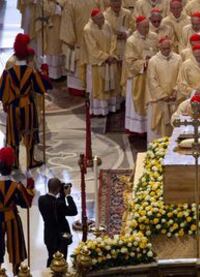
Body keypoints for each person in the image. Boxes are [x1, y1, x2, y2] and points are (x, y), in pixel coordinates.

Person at [0, 34, 49, 169]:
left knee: (14, 134)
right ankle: (30, 161)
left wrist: (6, 102)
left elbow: (2, 89)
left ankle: (15, 162)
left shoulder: (8, 71)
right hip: (27, 105)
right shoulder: (30, 71)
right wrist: (44, 75)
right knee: (30, 133)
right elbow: (42, 87)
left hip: (13, 106)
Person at [0, 147, 35, 275]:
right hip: (12, 219)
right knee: (16, 251)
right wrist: (30, 182)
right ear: (11, 166)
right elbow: (27, 203)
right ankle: (17, 273)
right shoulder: (16, 186)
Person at [60, 0, 105, 96]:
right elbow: (103, 18)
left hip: (78, 43)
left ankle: (79, 89)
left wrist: (70, 40)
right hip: (94, 40)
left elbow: (67, 28)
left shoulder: (70, 3)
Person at [122, 15, 158, 134]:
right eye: (144, 27)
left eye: (148, 27)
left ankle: (149, 126)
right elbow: (130, 61)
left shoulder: (154, 37)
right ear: (137, 27)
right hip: (138, 76)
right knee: (137, 101)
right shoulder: (131, 41)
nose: (146, 29)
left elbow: (158, 53)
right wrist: (145, 62)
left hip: (151, 75)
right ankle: (136, 128)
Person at [84, 8, 121, 116]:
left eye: (103, 18)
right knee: (98, 87)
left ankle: (112, 107)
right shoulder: (88, 29)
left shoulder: (107, 24)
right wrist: (105, 57)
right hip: (98, 63)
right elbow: (92, 49)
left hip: (110, 60)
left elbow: (113, 39)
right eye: (100, 18)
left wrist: (111, 53)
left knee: (111, 85)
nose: (102, 20)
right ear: (93, 19)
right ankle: (99, 110)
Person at [146, 38, 182, 143]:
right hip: (159, 100)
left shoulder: (178, 58)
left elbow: (181, 77)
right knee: (159, 128)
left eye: (168, 48)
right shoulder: (153, 61)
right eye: (164, 49)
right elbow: (152, 80)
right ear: (159, 48)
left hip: (174, 99)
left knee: (175, 125)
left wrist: (176, 91)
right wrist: (163, 95)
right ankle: (157, 148)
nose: (166, 51)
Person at [38, 178, 77, 267]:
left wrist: (61, 194)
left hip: (48, 236)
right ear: (59, 189)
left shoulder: (41, 200)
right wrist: (68, 196)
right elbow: (73, 211)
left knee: (51, 258)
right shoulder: (59, 204)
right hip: (60, 238)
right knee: (60, 261)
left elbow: (56, 204)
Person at [35, 0, 65, 80]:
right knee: (53, 48)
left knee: (60, 48)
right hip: (51, 25)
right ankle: (54, 75)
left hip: (61, 24)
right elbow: (45, 8)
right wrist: (57, 7)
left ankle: (62, 72)